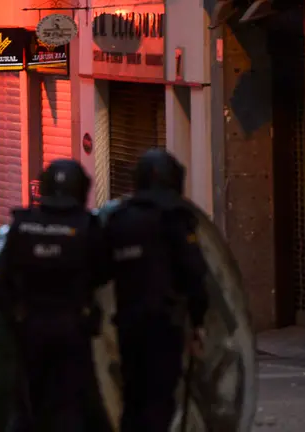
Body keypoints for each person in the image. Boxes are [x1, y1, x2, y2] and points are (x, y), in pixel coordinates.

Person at [0, 160, 108, 432]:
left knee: (27, 402)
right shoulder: (88, 227)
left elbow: (4, 280)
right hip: (72, 328)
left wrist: (13, 323)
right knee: (71, 402)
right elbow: (103, 275)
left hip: (30, 327)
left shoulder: (23, 226)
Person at [104, 148, 208, 432]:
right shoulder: (175, 218)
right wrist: (198, 321)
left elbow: (99, 269)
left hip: (128, 324)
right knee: (159, 401)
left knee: (134, 399)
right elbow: (194, 272)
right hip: (163, 325)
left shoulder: (119, 219)